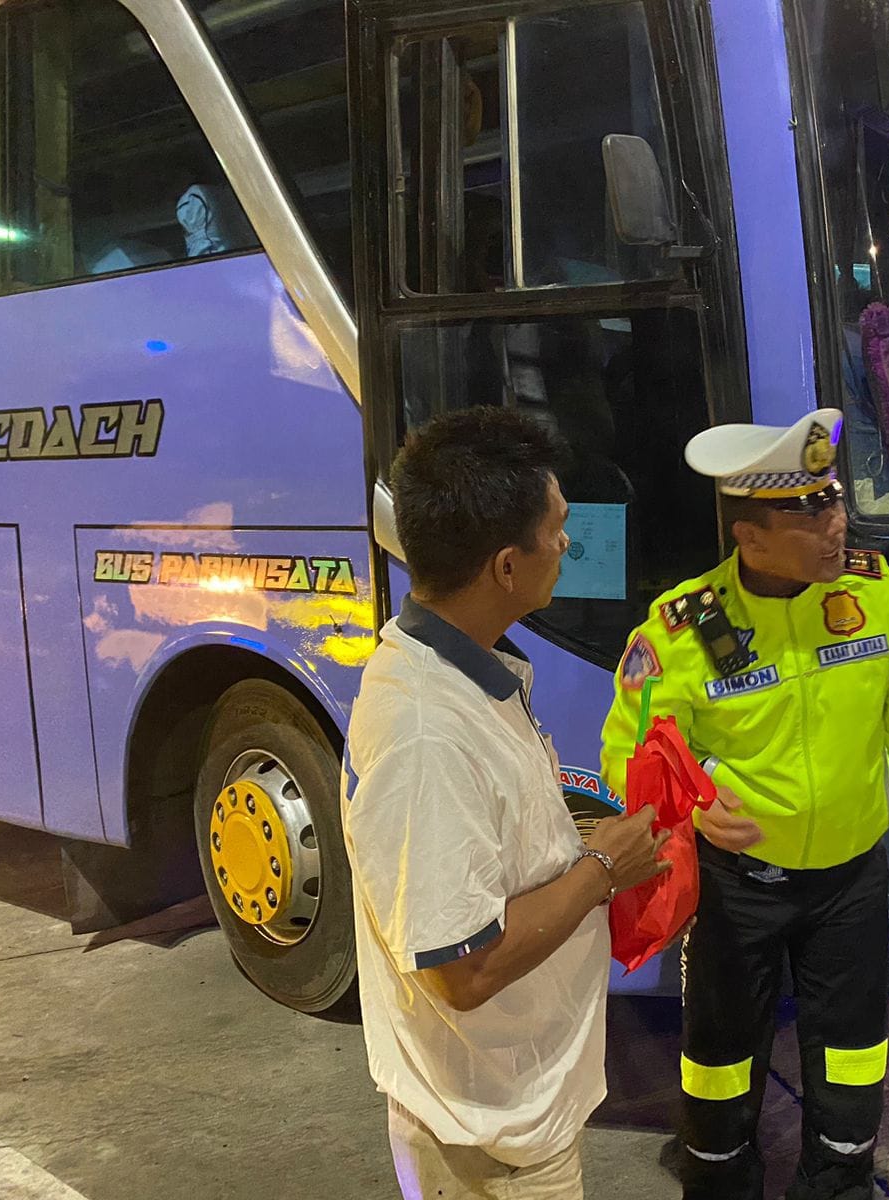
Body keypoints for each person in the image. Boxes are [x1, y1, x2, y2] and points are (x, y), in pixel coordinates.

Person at [598, 408, 889, 1200]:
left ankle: (835, 1183)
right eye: (808, 511)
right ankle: (720, 1183)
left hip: (852, 882)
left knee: (854, 1055)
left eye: (832, 499)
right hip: (738, 890)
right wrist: (693, 805)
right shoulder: (682, 630)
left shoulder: (876, 599)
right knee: (720, 1061)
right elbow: (629, 755)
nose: (836, 524)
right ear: (750, 538)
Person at [343, 407, 669, 1200]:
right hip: (490, 1143)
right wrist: (602, 869)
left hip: (511, 1113)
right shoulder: (428, 732)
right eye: (556, 529)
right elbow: (463, 966)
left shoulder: (461, 671)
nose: (568, 543)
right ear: (505, 567)